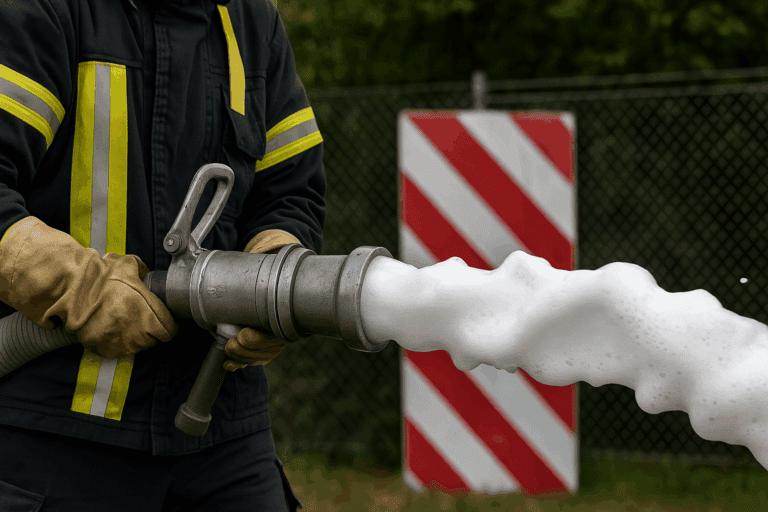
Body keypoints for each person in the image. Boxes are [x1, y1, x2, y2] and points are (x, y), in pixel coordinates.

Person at [0, 0, 326, 509]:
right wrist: (75, 284)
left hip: (223, 433)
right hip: (56, 433)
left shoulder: (250, 21)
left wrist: (274, 277)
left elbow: (290, 191)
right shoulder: (43, 11)